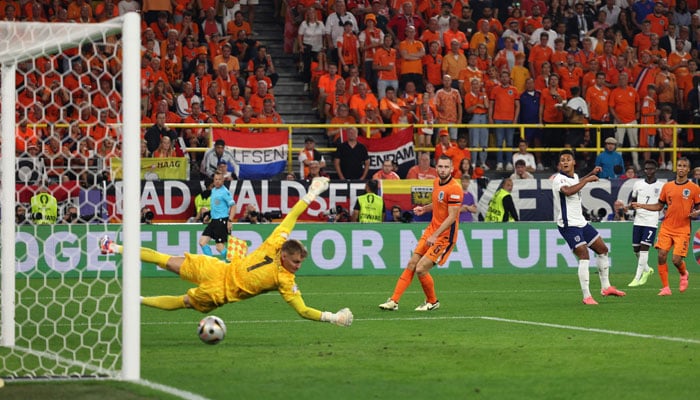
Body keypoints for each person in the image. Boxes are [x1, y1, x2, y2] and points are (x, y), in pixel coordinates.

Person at [100, 178, 352, 326]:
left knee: (183, 301)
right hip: (217, 270)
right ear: (285, 255)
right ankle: (113, 246)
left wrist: (332, 317)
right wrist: (309, 194)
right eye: (296, 262)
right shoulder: (276, 247)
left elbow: (303, 310)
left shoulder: (285, 281)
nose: (298, 266)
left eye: (299, 263)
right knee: (166, 260)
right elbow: (292, 217)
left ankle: (138, 301)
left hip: (220, 292)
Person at [378, 155, 463, 312]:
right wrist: (425, 208)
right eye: (440, 166)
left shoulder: (455, 188)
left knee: (421, 268)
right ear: (436, 168)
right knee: (412, 263)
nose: (443, 170)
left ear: (451, 169)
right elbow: (439, 202)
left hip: (444, 237)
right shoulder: (436, 182)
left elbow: (452, 217)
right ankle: (393, 301)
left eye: (446, 167)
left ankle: (432, 301)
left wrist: (435, 235)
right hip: (432, 230)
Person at [552, 149, 627, 305]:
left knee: (603, 250)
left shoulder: (575, 177)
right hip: (568, 225)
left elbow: (575, 183)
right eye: (562, 160)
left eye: (568, 159)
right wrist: (586, 181)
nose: (565, 162)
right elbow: (567, 191)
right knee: (584, 256)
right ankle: (587, 296)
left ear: (574, 162)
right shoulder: (558, 179)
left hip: (581, 222)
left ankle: (606, 287)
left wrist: (590, 174)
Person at [631, 157, 700, 296]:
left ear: (688, 170)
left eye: (684, 166)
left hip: (683, 229)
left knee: (676, 260)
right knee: (661, 255)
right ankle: (666, 288)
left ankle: (683, 273)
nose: (681, 168)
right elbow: (659, 206)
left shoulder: (694, 188)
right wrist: (641, 205)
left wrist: (696, 213)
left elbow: (698, 207)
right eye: (679, 165)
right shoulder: (667, 186)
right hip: (667, 227)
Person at [627, 159, 665, 287]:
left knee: (644, 249)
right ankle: (647, 270)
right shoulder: (638, 184)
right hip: (639, 220)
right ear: (644, 170)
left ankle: (637, 278)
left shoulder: (661, 186)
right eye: (647, 169)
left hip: (651, 220)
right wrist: (628, 207)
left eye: (651, 169)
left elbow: (662, 204)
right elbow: (633, 201)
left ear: (656, 170)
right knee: (636, 249)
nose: (649, 171)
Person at [197, 172, 236, 257]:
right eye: (216, 179)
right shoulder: (214, 191)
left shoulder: (225, 192)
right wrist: (209, 216)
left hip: (222, 221)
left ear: (223, 180)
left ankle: (230, 261)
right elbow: (215, 206)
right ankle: (211, 262)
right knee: (202, 242)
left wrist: (230, 221)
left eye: (219, 179)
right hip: (213, 221)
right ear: (213, 181)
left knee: (219, 247)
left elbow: (233, 206)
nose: (217, 181)